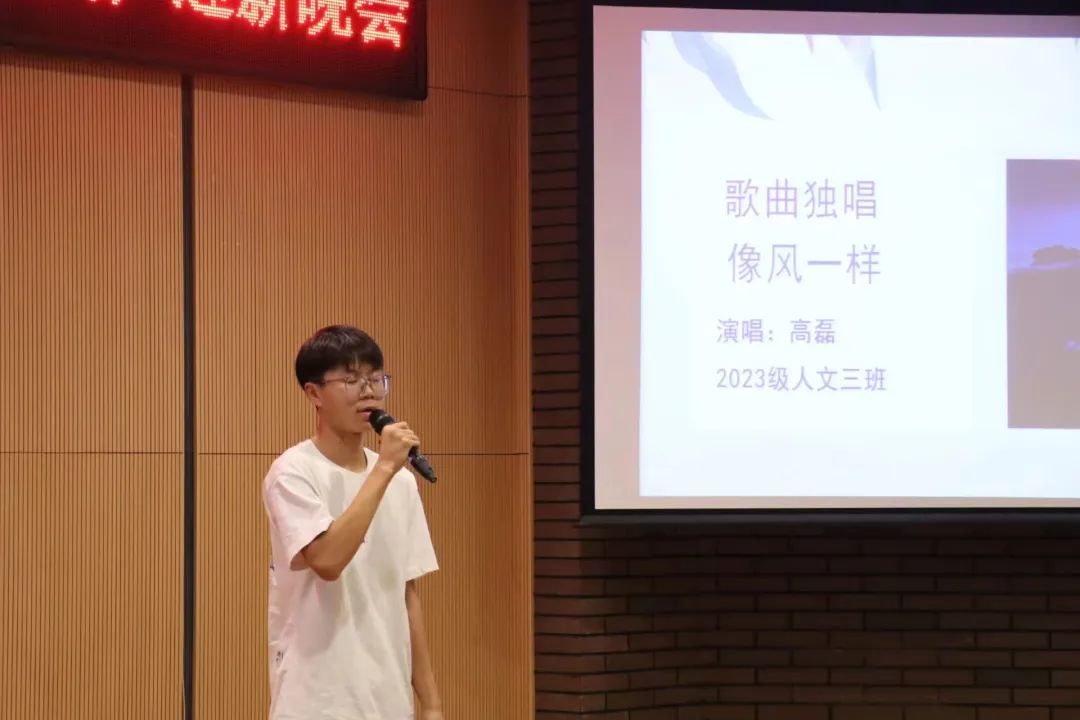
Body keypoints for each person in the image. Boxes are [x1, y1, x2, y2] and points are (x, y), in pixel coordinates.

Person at [261, 324, 443, 720]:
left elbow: (406, 594)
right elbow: (328, 561)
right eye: (351, 379)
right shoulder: (293, 473)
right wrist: (385, 469)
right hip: (317, 701)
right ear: (314, 393)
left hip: (389, 698)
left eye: (376, 378)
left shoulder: (400, 483)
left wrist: (430, 704)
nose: (368, 390)